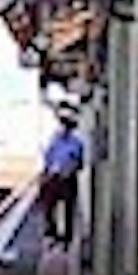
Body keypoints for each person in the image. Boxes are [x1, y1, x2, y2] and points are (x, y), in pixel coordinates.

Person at [38, 106, 87, 247]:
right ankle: (51, 233)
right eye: (63, 124)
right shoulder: (54, 140)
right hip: (53, 176)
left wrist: (70, 168)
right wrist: (46, 173)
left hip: (68, 178)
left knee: (68, 208)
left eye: (67, 125)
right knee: (48, 206)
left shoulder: (76, 143)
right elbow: (48, 157)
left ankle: (67, 237)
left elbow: (79, 162)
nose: (64, 128)